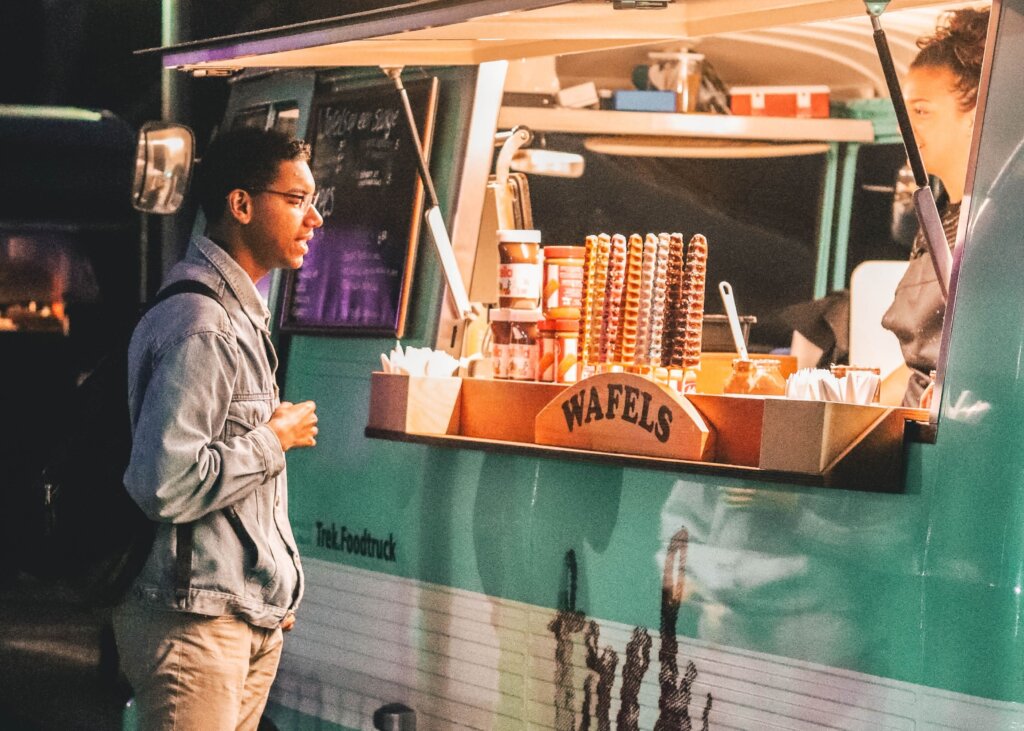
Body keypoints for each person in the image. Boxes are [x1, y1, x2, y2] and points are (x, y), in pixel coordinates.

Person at [113, 127, 323, 730]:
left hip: (233, 620)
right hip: (193, 627)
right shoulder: (203, 323)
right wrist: (272, 440)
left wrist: (270, 595)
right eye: (296, 200)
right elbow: (165, 481)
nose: (313, 220)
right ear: (241, 205)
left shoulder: (235, 317)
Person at [882, 7, 989, 405]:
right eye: (904, 113)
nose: (904, 128)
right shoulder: (935, 217)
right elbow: (917, 371)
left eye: (922, 111)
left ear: (975, 118)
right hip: (914, 434)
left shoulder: (1002, 223)